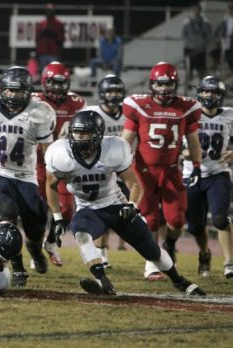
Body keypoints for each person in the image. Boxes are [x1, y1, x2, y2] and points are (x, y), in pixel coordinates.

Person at [45, 110, 206, 296]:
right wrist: (57, 218)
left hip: (116, 206)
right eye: (76, 132)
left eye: (85, 133)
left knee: (152, 251)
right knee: (81, 234)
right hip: (88, 208)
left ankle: (179, 281)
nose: (79, 137)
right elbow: (51, 185)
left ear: (98, 134)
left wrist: (132, 205)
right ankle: (102, 280)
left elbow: (134, 184)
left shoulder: (113, 148)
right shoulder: (60, 152)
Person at [0, 66, 56, 287]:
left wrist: (55, 170)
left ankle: (35, 249)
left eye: (18, 91)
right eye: (9, 91)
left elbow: (49, 151)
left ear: (28, 92)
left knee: (37, 223)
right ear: (2, 90)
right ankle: (18, 266)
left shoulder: (39, 113)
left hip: (26, 176)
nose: (13, 96)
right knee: (7, 215)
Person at [122, 62, 203, 280]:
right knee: (151, 219)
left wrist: (196, 165)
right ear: (152, 84)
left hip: (171, 170)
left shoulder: (186, 107)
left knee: (177, 221)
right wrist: (120, 163)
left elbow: (193, 141)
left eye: (169, 85)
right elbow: (126, 140)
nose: (165, 89)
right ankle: (151, 262)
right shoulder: (139, 106)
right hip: (144, 170)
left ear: (175, 84)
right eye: (161, 84)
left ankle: (170, 244)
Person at [32, 61, 87, 266]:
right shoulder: (34, 101)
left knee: (66, 211)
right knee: (37, 209)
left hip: (64, 164)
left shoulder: (77, 103)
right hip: (38, 163)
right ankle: (35, 248)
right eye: (53, 83)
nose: (57, 87)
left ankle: (51, 242)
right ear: (45, 82)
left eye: (61, 83)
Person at [182, 75, 233, 278]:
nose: (209, 95)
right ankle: (204, 253)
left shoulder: (230, 114)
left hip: (217, 173)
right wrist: (182, 153)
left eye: (214, 92)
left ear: (221, 95)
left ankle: (229, 261)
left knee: (220, 219)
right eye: (206, 91)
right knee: (195, 227)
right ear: (199, 93)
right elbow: (173, 142)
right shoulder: (188, 114)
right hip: (191, 174)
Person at [83, 74, 127, 267]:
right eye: (110, 90)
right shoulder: (92, 112)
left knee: (125, 211)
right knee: (103, 211)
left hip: (124, 168)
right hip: (100, 168)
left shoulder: (130, 113)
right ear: (102, 93)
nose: (114, 94)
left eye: (117, 90)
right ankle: (102, 253)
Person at [181, 3, 212, 81]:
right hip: (189, 47)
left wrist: (203, 44)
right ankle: (188, 84)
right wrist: (189, 43)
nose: (195, 11)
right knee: (188, 67)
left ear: (200, 11)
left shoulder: (205, 21)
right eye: (194, 10)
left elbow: (208, 34)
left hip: (200, 48)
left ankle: (202, 83)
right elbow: (183, 34)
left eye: (197, 10)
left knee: (201, 68)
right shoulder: (186, 21)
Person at [35, 3, 65, 73]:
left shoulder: (58, 24)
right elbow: (37, 39)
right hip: (43, 53)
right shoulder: (41, 24)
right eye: (47, 10)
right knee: (44, 73)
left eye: (51, 11)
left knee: (54, 73)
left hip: (54, 54)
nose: (49, 12)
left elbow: (61, 39)